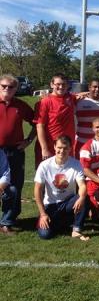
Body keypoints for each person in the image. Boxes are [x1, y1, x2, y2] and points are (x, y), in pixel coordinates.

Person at [34, 135, 89, 240]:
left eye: (65, 148)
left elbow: (82, 185)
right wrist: (42, 214)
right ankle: (59, 223)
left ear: (70, 148)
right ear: (54, 147)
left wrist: (81, 198)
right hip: (50, 206)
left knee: (83, 197)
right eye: (59, 148)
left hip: (68, 203)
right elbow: (37, 189)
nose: (62, 151)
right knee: (45, 235)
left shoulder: (76, 164)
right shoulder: (44, 165)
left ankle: (76, 230)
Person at [0, 74, 35, 228]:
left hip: (15, 151)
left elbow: (37, 122)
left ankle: (8, 220)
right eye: (3, 86)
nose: (7, 89)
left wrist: (28, 140)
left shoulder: (20, 105)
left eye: (11, 87)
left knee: (14, 186)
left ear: (16, 89)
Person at [34, 73, 76, 167]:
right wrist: (44, 149)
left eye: (64, 84)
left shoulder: (70, 98)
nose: (61, 87)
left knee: (66, 178)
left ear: (68, 86)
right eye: (58, 84)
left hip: (66, 147)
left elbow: (80, 95)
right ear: (52, 84)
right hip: (50, 147)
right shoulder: (44, 102)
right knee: (46, 178)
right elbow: (40, 126)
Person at [74, 78, 99, 157]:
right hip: (81, 141)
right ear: (89, 87)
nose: (97, 89)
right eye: (94, 87)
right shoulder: (79, 101)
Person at [0, 148, 18, 235]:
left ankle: (5, 224)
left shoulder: (1, 153)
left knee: (12, 190)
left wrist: (0, 190)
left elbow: (6, 174)